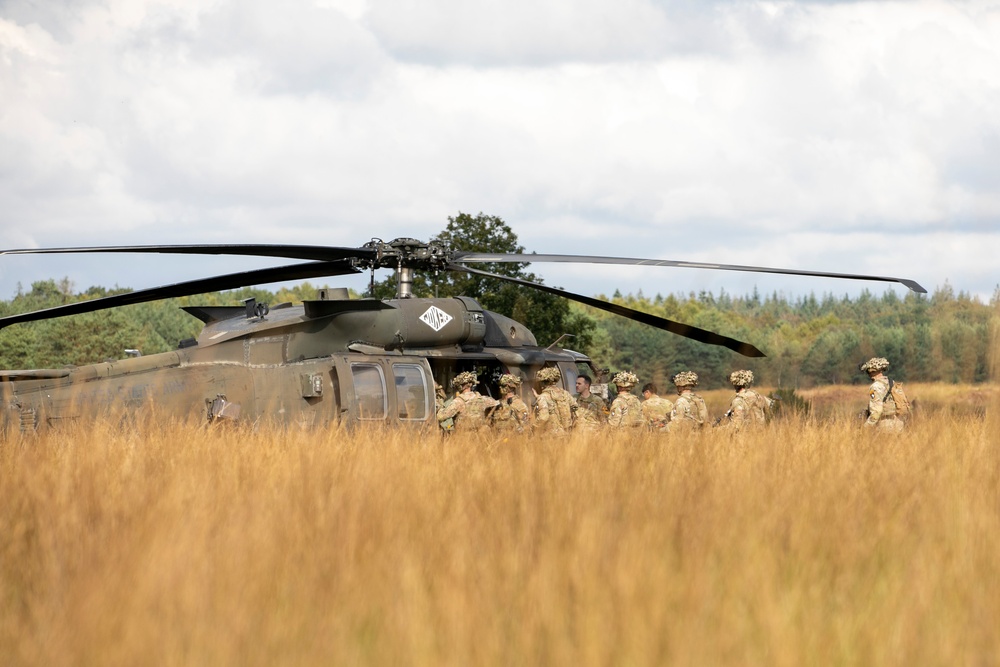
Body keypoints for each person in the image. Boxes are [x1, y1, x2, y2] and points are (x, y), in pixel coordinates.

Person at [859, 357, 904, 434]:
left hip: (884, 428)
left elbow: (877, 412)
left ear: (871, 371)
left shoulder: (875, 387)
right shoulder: (891, 382)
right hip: (898, 425)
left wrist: (864, 428)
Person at [533, 367, 577, 434]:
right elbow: (575, 407)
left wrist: (533, 428)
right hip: (567, 433)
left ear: (543, 382)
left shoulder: (543, 397)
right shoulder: (565, 394)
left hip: (551, 436)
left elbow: (543, 417)